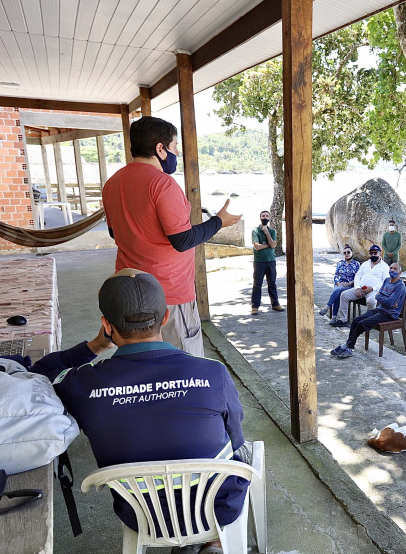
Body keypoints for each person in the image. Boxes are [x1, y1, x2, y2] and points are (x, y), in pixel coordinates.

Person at [34, 269, 248, 551]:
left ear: (107, 326)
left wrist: (96, 345)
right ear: (166, 318)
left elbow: (41, 372)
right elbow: (236, 437)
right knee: (237, 450)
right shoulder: (212, 373)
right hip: (216, 509)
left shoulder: (82, 384)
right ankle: (210, 540)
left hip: (142, 515)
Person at [102, 116, 242, 357]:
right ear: (160, 149)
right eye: (174, 147)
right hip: (170, 294)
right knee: (184, 365)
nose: (176, 153)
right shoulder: (162, 184)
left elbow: (115, 233)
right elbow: (183, 240)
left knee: (143, 364)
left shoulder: (113, 183)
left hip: (130, 292)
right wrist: (219, 221)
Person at [330, 263, 406, 358]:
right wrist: (384, 298)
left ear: (400, 272)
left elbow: (389, 302)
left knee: (362, 323)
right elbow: (378, 296)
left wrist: (383, 298)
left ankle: (346, 346)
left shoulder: (400, 286)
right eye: (391, 268)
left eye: (395, 269)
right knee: (356, 321)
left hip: (389, 314)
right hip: (380, 309)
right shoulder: (386, 280)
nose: (392, 270)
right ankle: (349, 348)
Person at [330, 244, 389, 328]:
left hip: (374, 291)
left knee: (372, 300)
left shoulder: (385, 267)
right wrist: (357, 288)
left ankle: (369, 321)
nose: (373, 255)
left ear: (380, 254)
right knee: (344, 295)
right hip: (360, 289)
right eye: (371, 253)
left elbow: (385, 283)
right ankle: (343, 320)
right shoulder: (365, 264)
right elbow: (357, 276)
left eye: (375, 253)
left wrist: (372, 288)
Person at [251, 210, 284, 315]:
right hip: (259, 262)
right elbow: (257, 246)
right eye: (263, 216)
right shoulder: (255, 231)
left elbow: (273, 245)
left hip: (271, 261)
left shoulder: (272, 231)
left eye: (266, 216)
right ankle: (255, 306)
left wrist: (266, 232)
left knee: (272, 284)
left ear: (269, 218)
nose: (265, 217)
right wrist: (269, 244)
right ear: (260, 217)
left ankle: (275, 304)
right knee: (257, 284)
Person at [321, 245, 360, 319]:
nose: (347, 254)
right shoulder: (340, 263)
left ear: (352, 253)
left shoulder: (356, 264)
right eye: (345, 253)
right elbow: (336, 275)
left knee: (337, 290)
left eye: (348, 252)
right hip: (340, 284)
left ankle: (328, 308)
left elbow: (358, 277)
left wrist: (349, 283)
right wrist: (338, 283)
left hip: (350, 285)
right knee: (338, 290)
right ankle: (334, 317)